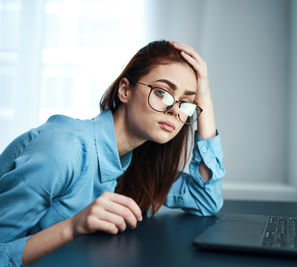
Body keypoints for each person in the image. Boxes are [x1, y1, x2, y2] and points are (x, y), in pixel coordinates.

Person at [0, 40, 225, 266]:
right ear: (125, 90)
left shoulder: (137, 160)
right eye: (162, 92)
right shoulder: (64, 150)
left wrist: (204, 97)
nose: (176, 110)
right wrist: (74, 226)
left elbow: (206, 200)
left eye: (186, 103)